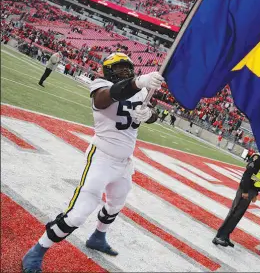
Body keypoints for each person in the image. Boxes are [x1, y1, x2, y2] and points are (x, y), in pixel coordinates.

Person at [22, 53, 164, 273]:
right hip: (102, 158)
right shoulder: (102, 85)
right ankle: (38, 250)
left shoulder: (141, 90)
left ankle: (98, 236)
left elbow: (152, 115)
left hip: (124, 161)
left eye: (127, 68)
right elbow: (103, 99)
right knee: (79, 213)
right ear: (108, 71)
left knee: (116, 203)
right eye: (118, 68)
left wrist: (149, 115)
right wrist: (138, 82)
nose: (124, 71)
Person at [212, 153, 260, 247]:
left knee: (238, 215)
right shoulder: (258, 158)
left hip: (252, 191)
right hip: (246, 190)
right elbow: (247, 175)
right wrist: (245, 191)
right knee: (235, 213)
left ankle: (226, 235)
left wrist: (256, 193)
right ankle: (219, 236)